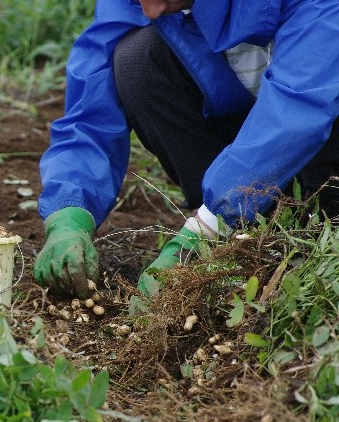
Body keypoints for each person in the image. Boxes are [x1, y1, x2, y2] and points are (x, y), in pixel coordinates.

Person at [34, 0, 339, 298]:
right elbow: (91, 105)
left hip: (320, 125)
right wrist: (69, 212)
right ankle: (247, 235)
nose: (149, 9)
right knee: (137, 59)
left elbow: (299, 108)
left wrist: (208, 227)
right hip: (257, 129)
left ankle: (313, 227)